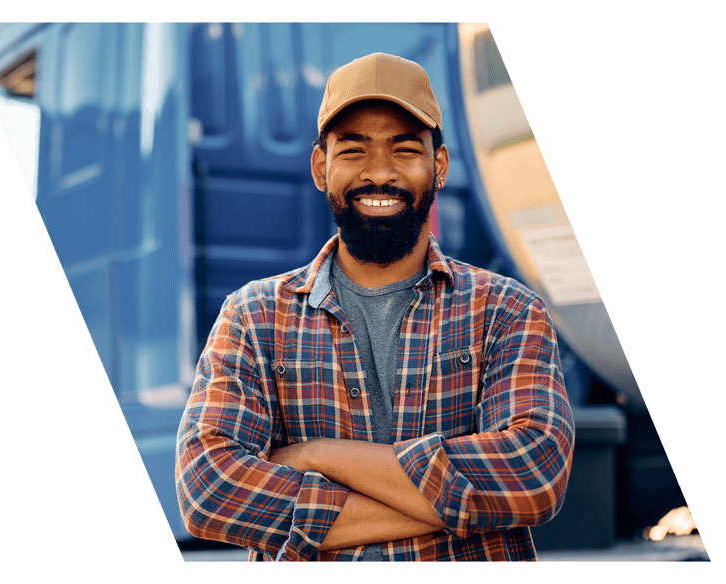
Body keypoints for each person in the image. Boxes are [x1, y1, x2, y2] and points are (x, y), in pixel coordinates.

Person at [175, 52, 574, 561]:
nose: (380, 172)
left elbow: (533, 474)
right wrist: (460, 507)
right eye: (354, 150)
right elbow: (208, 490)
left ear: (440, 166)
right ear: (321, 167)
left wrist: (320, 456)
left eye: (405, 149)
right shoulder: (253, 316)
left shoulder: (506, 310)